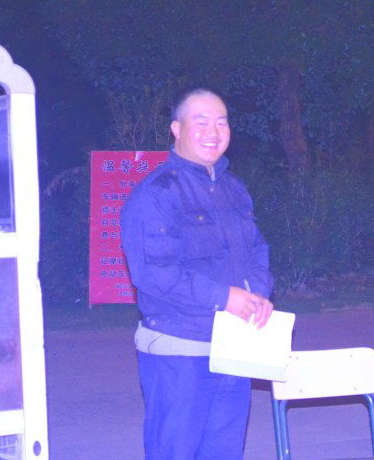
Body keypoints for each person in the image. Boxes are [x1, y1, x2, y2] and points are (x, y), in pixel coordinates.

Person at [120, 88, 274, 460]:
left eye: (222, 122)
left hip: (234, 346)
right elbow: (154, 274)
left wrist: (258, 294)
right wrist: (225, 297)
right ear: (176, 129)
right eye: (200, 122)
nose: (213, 132)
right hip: (180, 351)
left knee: (224, 451)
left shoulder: (233, 188)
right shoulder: (157, 193)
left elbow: (256, 249)